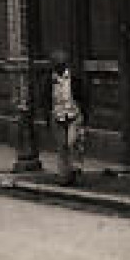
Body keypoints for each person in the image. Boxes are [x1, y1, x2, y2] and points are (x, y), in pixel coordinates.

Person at [48, 50, 88, 185]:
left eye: (62, 64)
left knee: (73, 143)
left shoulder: (74, 79)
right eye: (56, 64)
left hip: (73, 114)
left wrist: (83, 113)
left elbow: (84, 97)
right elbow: (45, 99)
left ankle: (76, 170)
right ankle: (64, 176)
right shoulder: (49, 81)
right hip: (57, 115)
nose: (59, 67)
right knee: (62, 146)